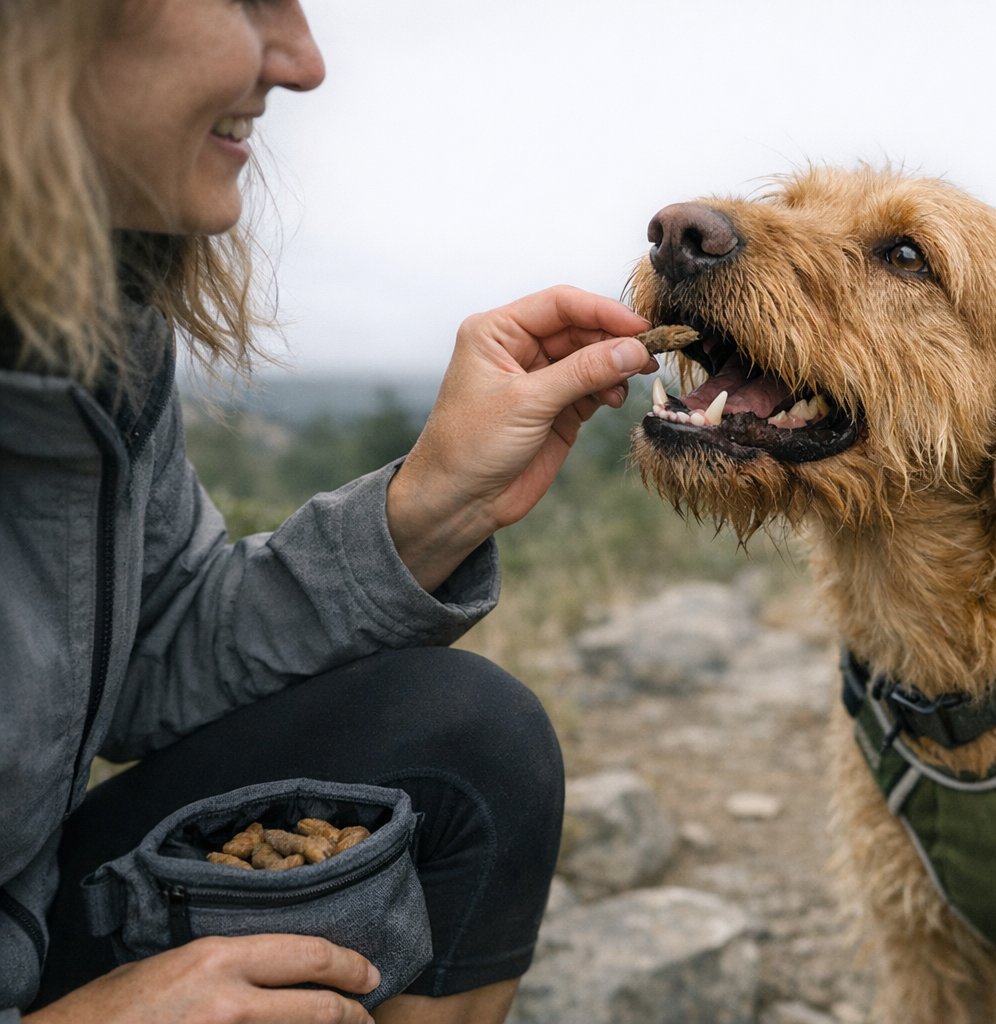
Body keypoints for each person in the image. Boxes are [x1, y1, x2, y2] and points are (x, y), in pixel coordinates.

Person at [0, 1, 658, 1021]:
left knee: (470, 740)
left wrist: (427, 509)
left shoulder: (90, 343)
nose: (304, 63)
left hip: (26, 921)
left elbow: (153, 647)